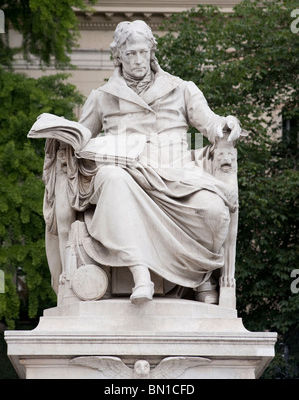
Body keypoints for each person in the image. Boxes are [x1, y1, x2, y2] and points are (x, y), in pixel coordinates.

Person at [73, 20, 242, 305]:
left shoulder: (181, 89)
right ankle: (141, 275)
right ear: (119, 56)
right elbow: (80, 138)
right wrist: (62, 138)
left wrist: (227, 123)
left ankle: (201, 276)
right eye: (130, 54)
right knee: (112, 178)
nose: (138, 60)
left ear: (152, 52)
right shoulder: (102, 97)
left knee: (214, 211)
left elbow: (211, 124)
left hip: (176, 172)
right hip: (125, 171)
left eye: (142, 52)